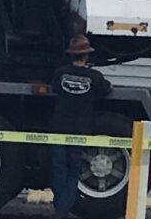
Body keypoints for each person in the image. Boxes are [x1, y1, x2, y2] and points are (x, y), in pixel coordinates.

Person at [47, 20, 110, 218]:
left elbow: (55, 88)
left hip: (58, 129)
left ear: (70, 54)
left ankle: (60, 208)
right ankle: (62, 211)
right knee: (74, 172)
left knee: (59, 170)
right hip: (79, 131)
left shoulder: (60, 73)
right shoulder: (95, 77)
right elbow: (106, 89)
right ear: (87, 54)